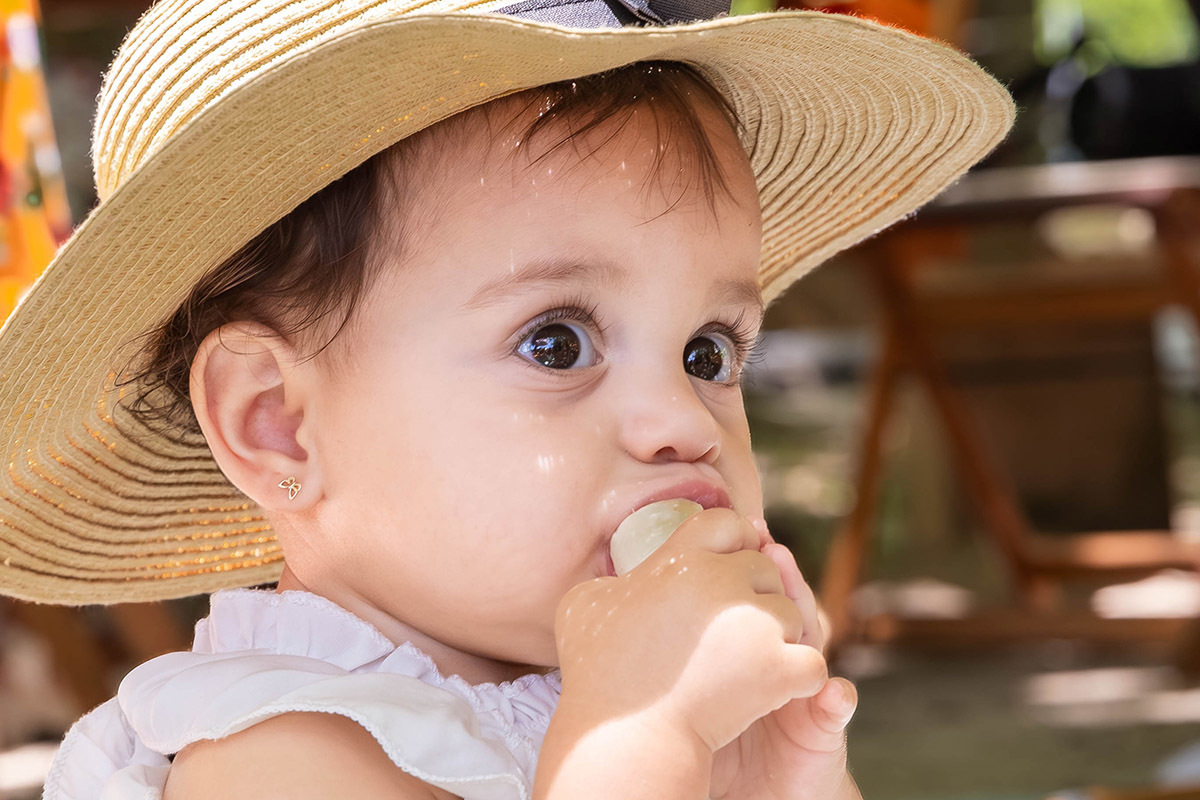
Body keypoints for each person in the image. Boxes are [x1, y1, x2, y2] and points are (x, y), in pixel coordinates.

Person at [0, 0, 1014, 796]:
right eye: (556, 343)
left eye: (708, 353)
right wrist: (641, 736)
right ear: (278, 422)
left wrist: (778, 778)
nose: (682, 422)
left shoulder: (614, 680)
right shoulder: (278, 749)